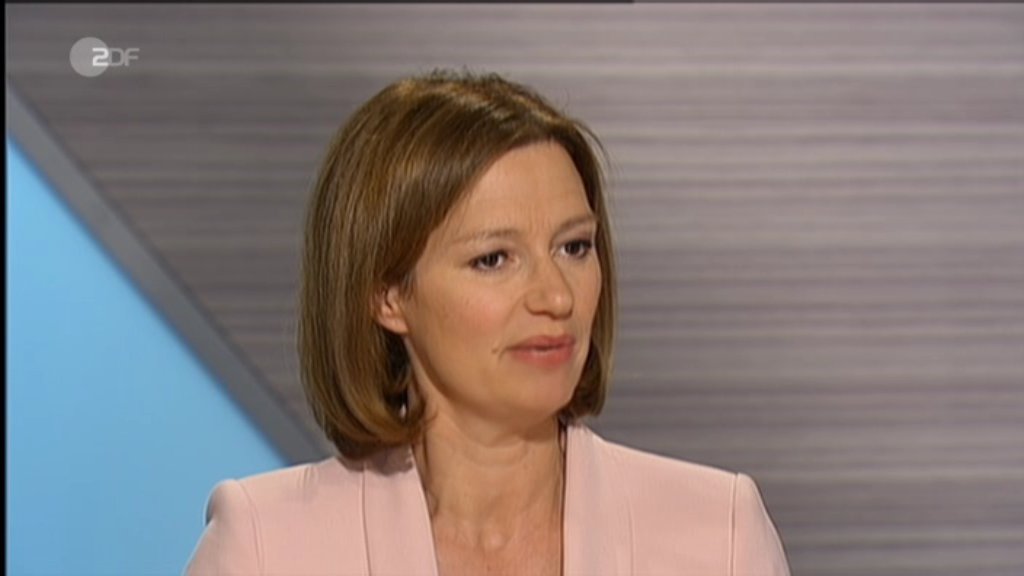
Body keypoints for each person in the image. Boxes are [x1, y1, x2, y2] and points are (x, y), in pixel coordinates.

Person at [185, 69, 790, 576]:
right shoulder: (267, 545)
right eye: (493, 259)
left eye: (574, 247)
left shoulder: (720, 534)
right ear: (387, 295)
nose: (556, 296)